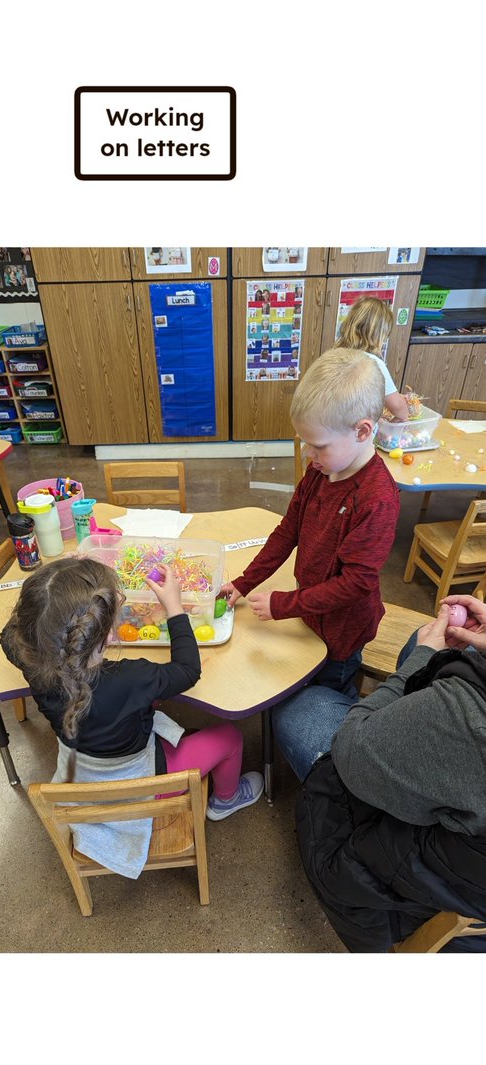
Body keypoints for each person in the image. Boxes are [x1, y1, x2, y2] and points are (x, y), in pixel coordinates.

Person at [0, 559, 264, 875]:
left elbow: (8, 636)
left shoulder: (34, 666)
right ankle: (225, 800)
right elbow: (189, 670)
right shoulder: (133, 677)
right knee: (230, 737)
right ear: (107, 636)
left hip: (81, 776)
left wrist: (45, 603)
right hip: (145, 784)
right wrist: (174, 607)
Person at [220, 348, 400, 777]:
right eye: (305, 441)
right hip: (310, 613)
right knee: (298, 674)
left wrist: (284, 604)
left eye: (317, 444)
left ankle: (330, 760)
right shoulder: (321, 471)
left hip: (342, 629)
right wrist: (245, 582)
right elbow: (288, 531)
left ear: (362, 431)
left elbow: (355, 585)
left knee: (325, 686)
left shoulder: (376, 498)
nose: (309, 453)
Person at [296, 599, 486, 952]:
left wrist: (423, 658)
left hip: (392, 878)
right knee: (418, 645)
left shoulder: (467, 717)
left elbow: (349, 752)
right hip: (465, 865)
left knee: (301, 708)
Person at [335, 295, 410, 421]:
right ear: (379, 334)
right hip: (351, 433)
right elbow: (397, 406)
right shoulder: (372, 363)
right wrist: (404, 417)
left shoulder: (335, 354)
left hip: (329, 427)